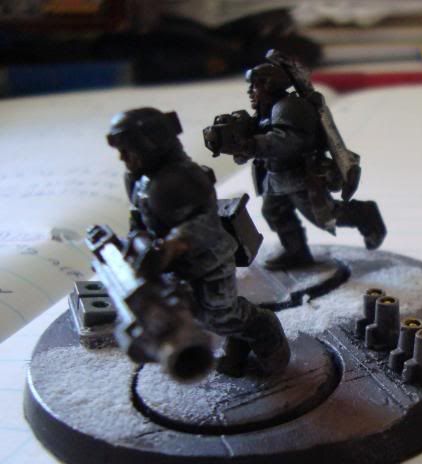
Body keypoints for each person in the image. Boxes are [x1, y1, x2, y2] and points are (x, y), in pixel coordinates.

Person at [106, 107, 290, 378]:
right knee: (193, 315)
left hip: (209, 260)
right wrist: (137, 243)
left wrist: (173, 244)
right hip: (172, 264)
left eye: (128, 149)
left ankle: (267, 333)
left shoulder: (185, 178)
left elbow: (204, 222)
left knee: (223, 315)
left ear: (150, 143)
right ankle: (238, 348)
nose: (123, 157)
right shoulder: (138, 180)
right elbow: (138, 218)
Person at [232, 57, 386, 270]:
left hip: (301, 177)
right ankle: (296, 252)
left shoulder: (290, 107)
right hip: (275, 176)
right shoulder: (265, 110)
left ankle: (365, 214)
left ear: (269, 85)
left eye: (255, 85)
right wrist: (238, 145)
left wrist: (251, 145)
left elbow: (288, 141)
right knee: (274, 213)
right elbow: (258, 138)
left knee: (324, 216)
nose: (250, 91)